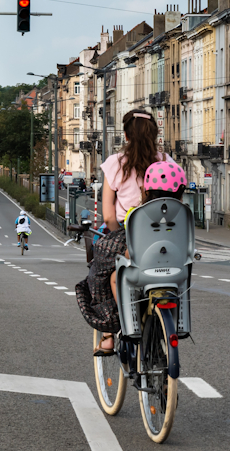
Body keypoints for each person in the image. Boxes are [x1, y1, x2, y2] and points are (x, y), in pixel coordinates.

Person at [79, 109, 175, 355]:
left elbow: (109, 216)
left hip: (129, 233)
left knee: (98, 274)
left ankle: (110, 334)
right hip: (167, 236)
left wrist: (118, 241)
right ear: (155, 134)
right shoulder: (167, 162)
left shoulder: (116, 164)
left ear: (126, 136)